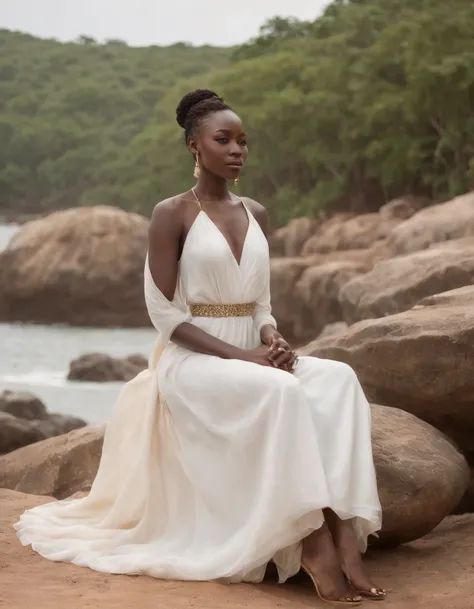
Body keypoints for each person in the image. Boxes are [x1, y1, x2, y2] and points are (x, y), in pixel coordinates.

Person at [15, 89, 385, 604]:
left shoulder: (255, 211)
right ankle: (314, 543)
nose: (237, 150)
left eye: (243, 142)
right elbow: (165, 315)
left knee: (339, 379)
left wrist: (272, 340)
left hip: (252, 352)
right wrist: (243, 357)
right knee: (280, 394)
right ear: (194, 145)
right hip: (192, 362)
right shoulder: (172, 214)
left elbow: (261, 304)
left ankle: (346, 533)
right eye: (224, 139)